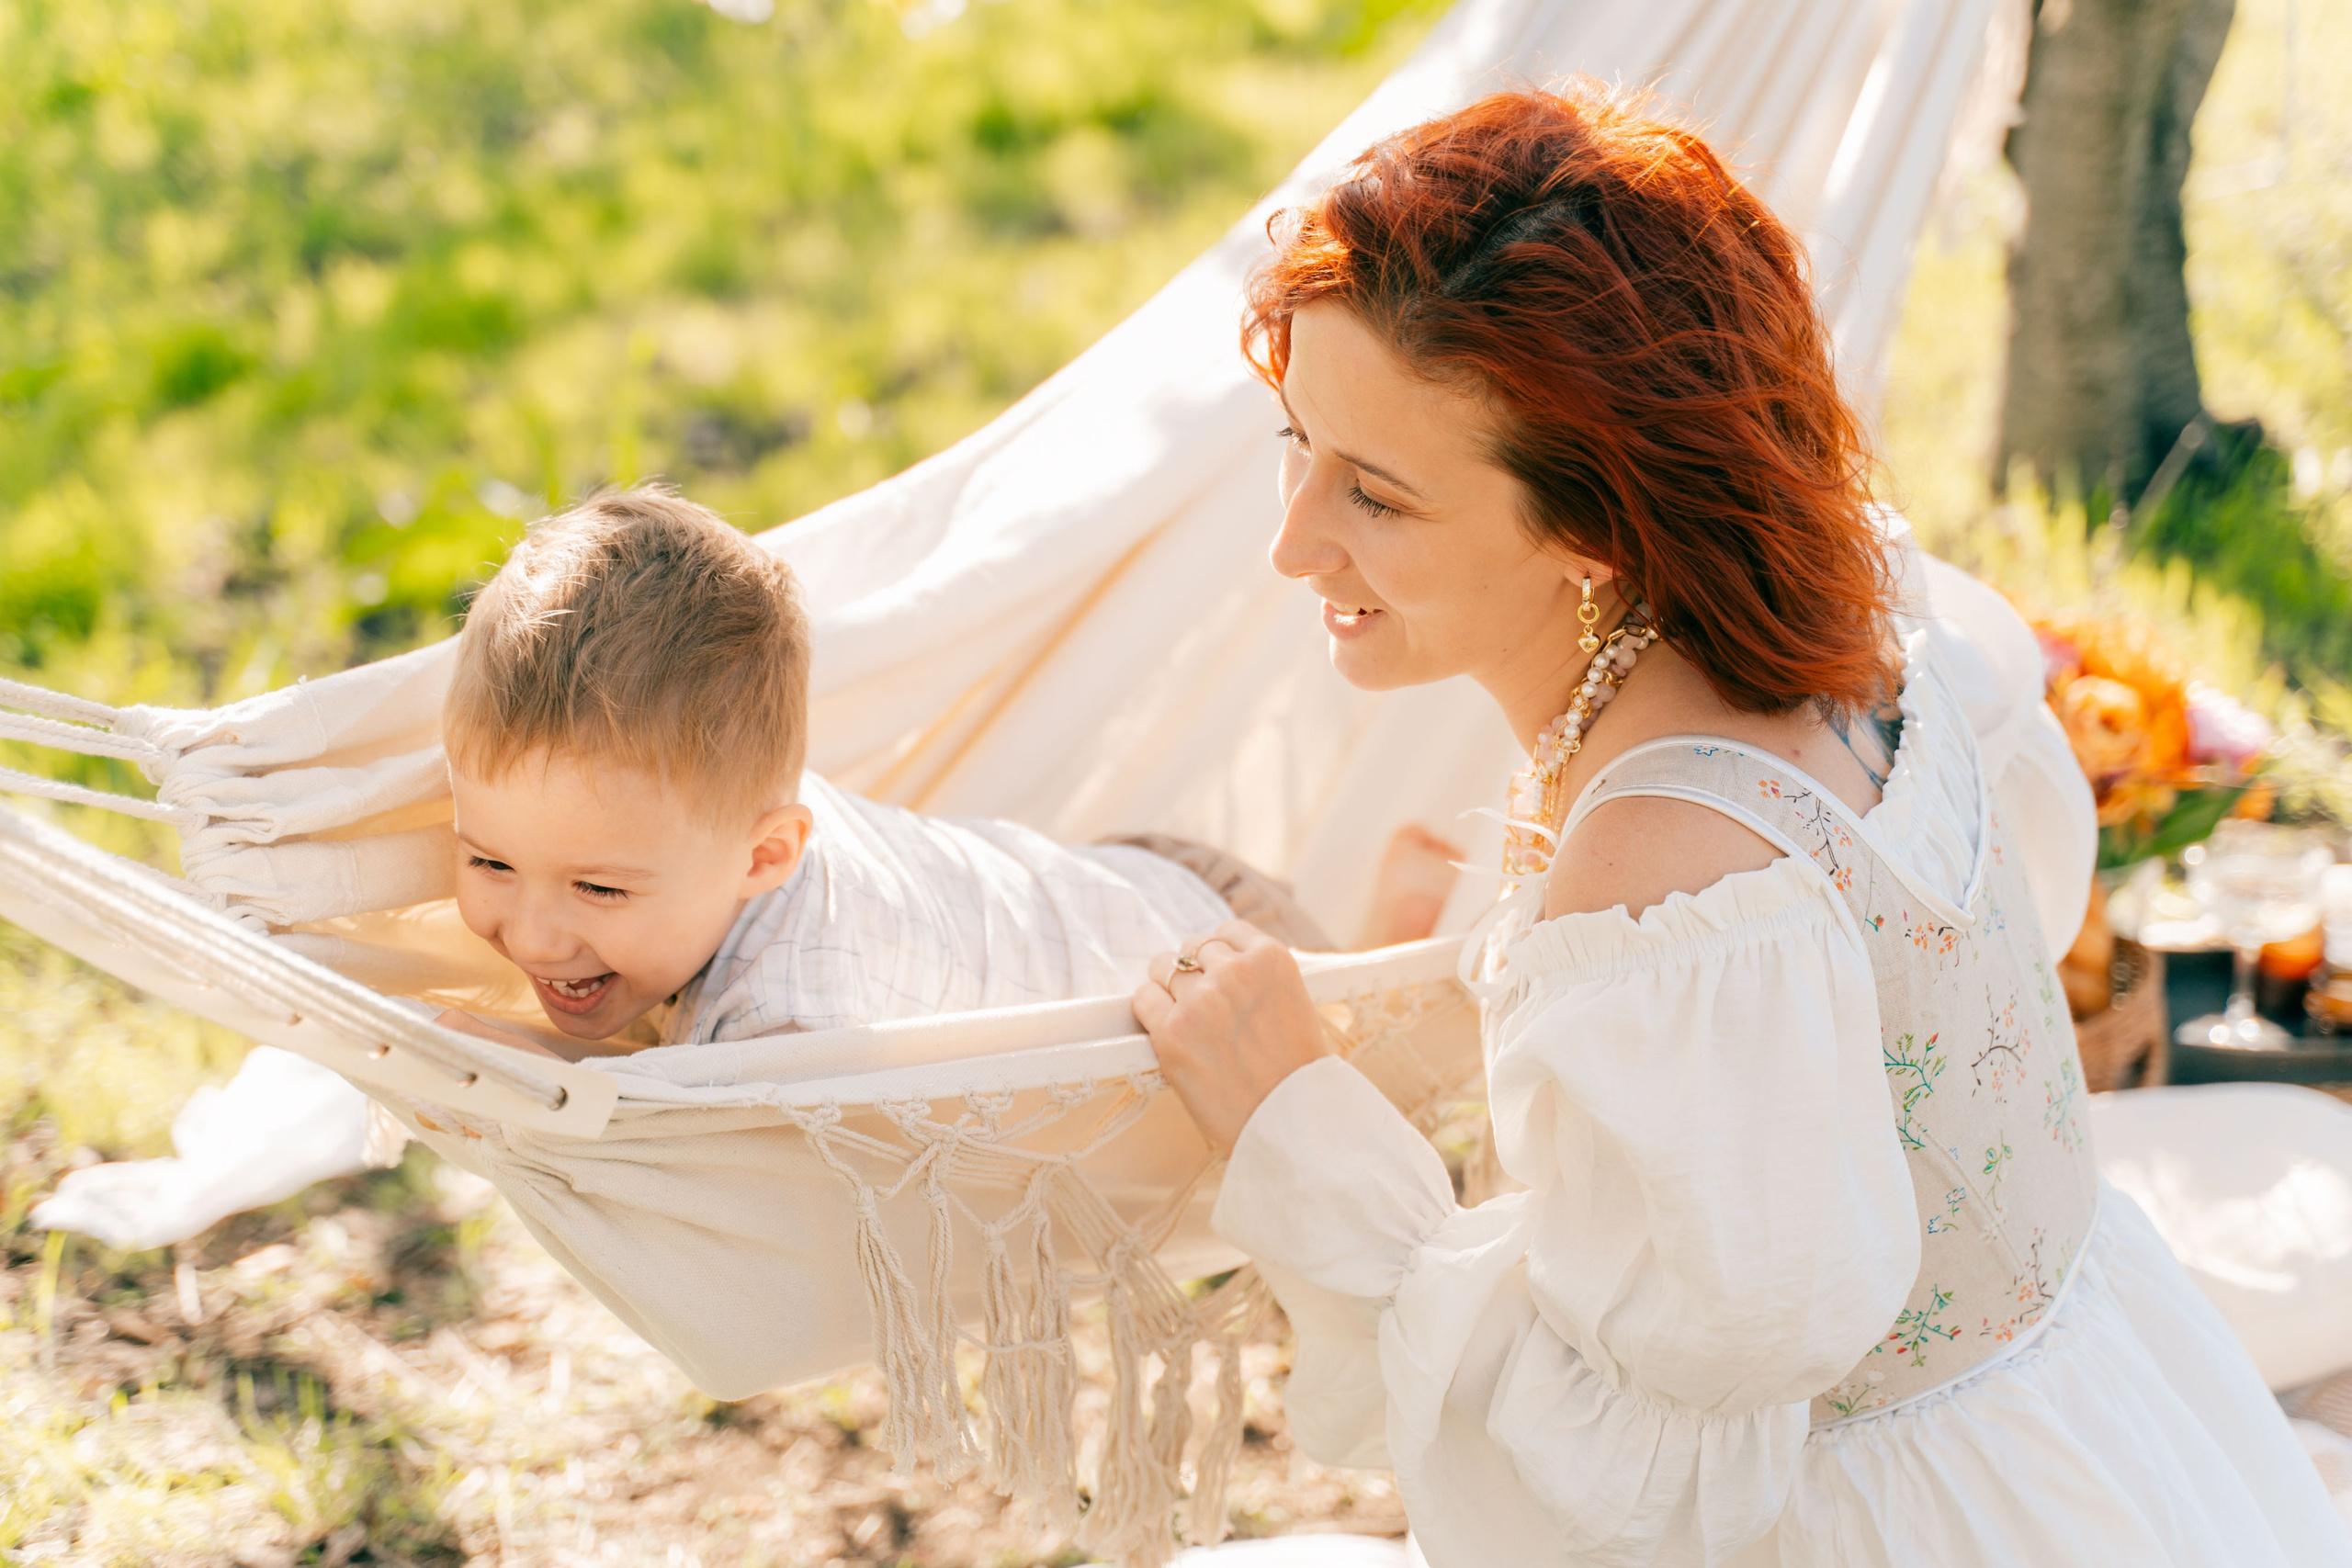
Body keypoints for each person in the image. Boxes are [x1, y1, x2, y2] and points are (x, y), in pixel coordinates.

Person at [1132, 84, 2352, 1565]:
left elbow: (1612, 1472)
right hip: (2102, 1430)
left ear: (1589, 527)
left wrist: (1296, 1126)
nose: (1291, 538)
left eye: (1375, 495)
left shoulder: (1665, 875)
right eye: (1295, 437)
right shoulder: (1876, 610)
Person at [434, 484, 1323, 1058]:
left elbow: (705, 1161)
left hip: (1225, 960)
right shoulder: (690, 812)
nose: (536, 937)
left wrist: (544, 1064)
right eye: (491, 863)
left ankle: (1407, 919)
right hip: (1106, 894)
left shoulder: (792, 1020)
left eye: (596, 889)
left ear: (764, 859)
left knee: (1375, 1083)